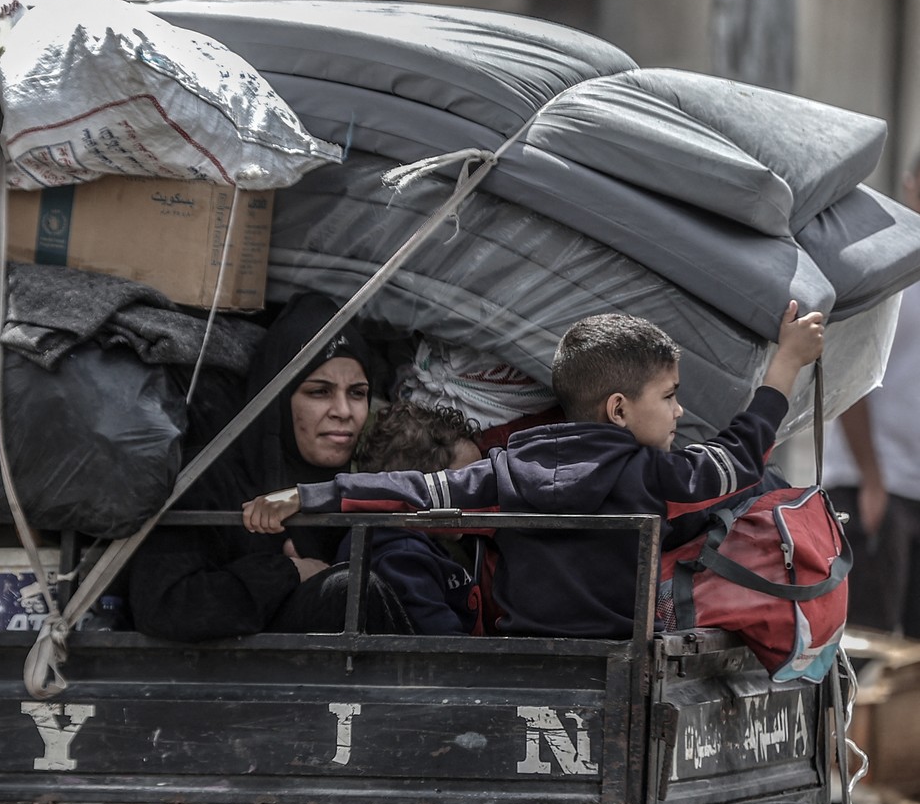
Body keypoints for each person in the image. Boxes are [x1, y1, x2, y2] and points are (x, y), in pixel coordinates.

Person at [243, 302, 825, 639]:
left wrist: (310, 496)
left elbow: (415, 493)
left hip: (521, 663)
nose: (678, 411)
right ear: (619, 410)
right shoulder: (658, 479)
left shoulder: (505, 473)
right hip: (622, 662)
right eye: (670, 396)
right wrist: (785, 364)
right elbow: (741, 453)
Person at [127, 293, 412, 642]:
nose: (344, 411)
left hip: (336, 686)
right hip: (234, 682)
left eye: (357, 393)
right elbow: (164, 604)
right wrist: (287, 573)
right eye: (319, 392)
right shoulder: (211, 479)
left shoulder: (360, 486)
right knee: (347, 590)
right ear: (277, 400)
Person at [824, 153, 920, 637]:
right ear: (911, 186)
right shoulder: (891, 266)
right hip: (875, 487)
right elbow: (852, 376)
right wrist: (872, 478)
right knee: (867, 642)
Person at [333, 401, 484, 635]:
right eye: (463, 486)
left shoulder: (415, 544)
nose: (475, 498)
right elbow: (442, 641)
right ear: (418, 489)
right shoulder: (401, 556)